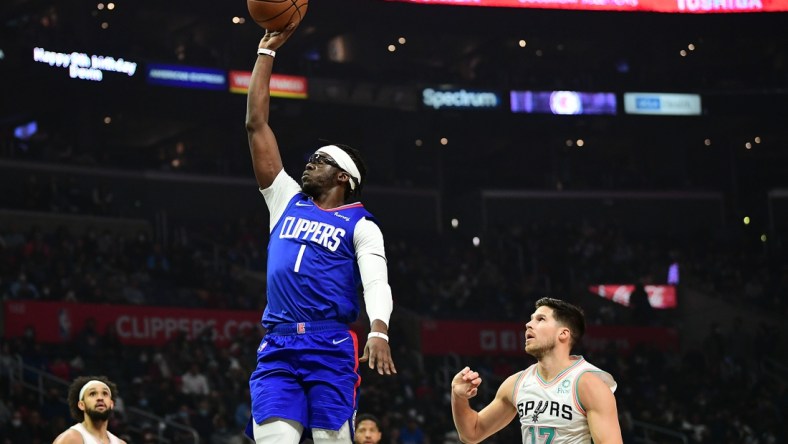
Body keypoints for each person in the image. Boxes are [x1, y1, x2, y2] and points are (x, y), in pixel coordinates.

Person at [244, 20, 397, 444]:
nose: (308, 164)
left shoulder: (361, 225)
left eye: (319, 160)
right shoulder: (285, 198)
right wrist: (266, 53)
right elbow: (257, 125)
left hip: (330, 344)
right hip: (276, 345)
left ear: (343, 177)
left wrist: (379, 329)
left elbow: (376, 282)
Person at [451, 298, 622, 444]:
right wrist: (458, 397)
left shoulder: (588, 385)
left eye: (540, 319)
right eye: (531, 319)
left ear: (563, 334)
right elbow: (472, 433)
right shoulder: (516, 383)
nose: (528, 324)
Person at [52, 375, 126, 444]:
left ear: (111, 404)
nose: (100, 398)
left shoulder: (120, 443)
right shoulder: (70, 439)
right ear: (81, 405)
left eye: (105, 393)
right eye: (92, 394)